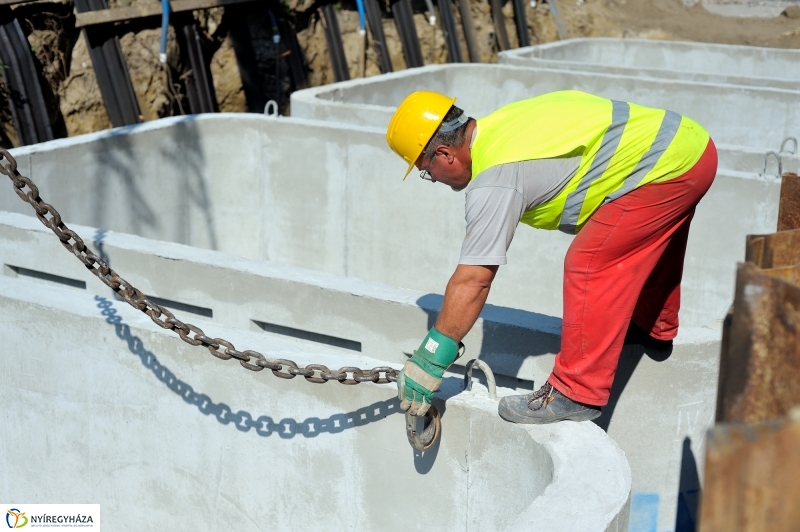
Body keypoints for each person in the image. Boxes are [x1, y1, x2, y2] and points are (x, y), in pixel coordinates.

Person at [386, 90, 717, 424]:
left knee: (589, 263)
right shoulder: (502, 124)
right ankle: (652, 328)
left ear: (444, 155)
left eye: (426, 171)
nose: (433, 180)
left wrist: (430, 361)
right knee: (634, 238)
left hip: (667, 168)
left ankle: (577, 392)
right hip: (691, 148)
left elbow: (474, 280)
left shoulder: (495, 178)